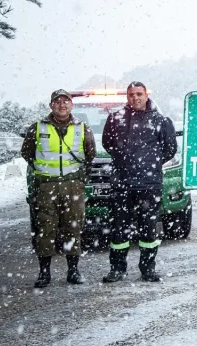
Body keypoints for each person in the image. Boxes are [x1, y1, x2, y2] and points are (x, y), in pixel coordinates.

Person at [101, 81, 177, 283]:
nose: (135, 98)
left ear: (146, 95)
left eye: (139, 94)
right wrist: (125, 162)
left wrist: (150, 163)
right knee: (119, 229)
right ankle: (117, 269)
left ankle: (148, 269)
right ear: (127, 97)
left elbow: (170, 149)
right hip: (122, 184)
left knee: (149, 229)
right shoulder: (115, 119)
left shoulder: (161, 120)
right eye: (131, 94)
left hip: (149, 184)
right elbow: (108, 144)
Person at [21, 89, 96, 288]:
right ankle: (44, 273)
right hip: (46, 187)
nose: (61, 105)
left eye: (65, 101)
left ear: (71, 105)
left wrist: (77, 179)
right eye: (57, 101)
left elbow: (90, 154)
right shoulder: (37, 128)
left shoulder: (82, 128)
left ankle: (73, 270)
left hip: (73, 187)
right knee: (45, 229)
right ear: (51, 105)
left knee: (73, 227)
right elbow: (27, 153)